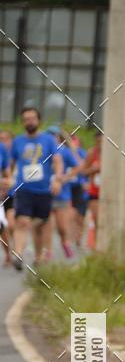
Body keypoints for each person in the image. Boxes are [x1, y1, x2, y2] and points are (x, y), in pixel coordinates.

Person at [10, 107, 63, 270]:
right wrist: (9, 180)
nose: (29, 122)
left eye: (32, 118)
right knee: (22, 221)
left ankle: (39, 256)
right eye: (26, 119)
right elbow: (11, 164)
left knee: (40, 225)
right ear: (23, 122)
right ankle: (18, 254)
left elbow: (57, 161)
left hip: (43, 190)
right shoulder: (17, 141)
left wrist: (57, 180)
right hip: (24, 188)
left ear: (39, 121)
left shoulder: (48, 140)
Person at [46, 127, 77, 259]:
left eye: (53, 136)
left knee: (61, 226)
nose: (50, 138)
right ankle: (47, 251)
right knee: (46, 224)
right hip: (45, 193)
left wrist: (65, 178)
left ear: (58, 137)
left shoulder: (65, 152)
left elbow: (77, 167)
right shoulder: (42, 151)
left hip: (62, 194)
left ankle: (65, 242)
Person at [76, 131, 102, 244]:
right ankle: (96, 246)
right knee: (97, 220)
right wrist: (94, 169)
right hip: (95, 192)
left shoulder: (112, 154)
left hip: (110, 192)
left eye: (103, 142)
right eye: (98, 142)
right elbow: (83, 171)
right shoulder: (92, 153)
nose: (101, 144)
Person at [0, 131, 12, 265]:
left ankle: (8, 254)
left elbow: (7, 173)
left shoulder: (2, 148)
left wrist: (5, 187)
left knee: (1, 227)